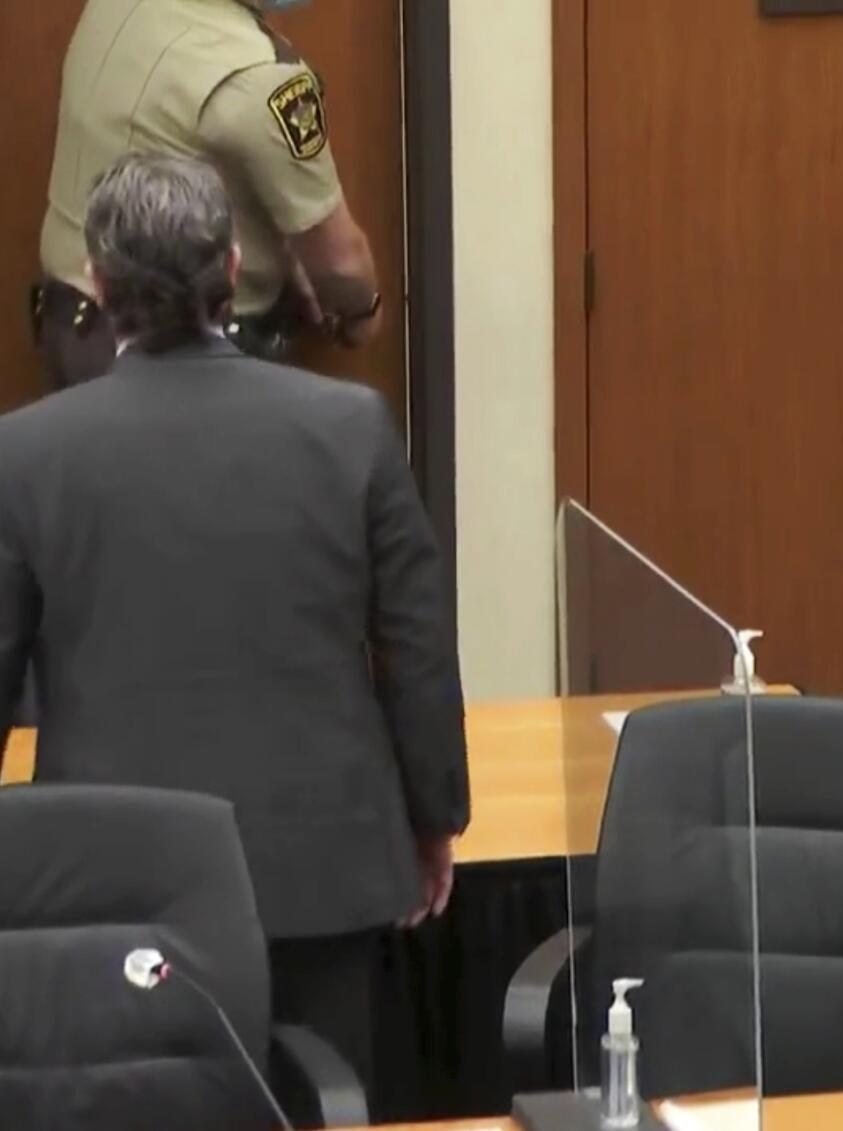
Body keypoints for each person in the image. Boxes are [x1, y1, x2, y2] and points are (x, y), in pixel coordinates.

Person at [0, 153, 465, 1095]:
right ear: (232, 266)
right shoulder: (352, 427)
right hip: (321, 873)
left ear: (96, 281)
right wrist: (433, 817)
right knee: (318, 1101)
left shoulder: (28, 452)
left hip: (112, 885)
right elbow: (415, 642)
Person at [34, 0, 381, 390]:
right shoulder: (258, 78)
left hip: (73, 321)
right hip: (183, 365)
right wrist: (360, 316)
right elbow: (340, 264)